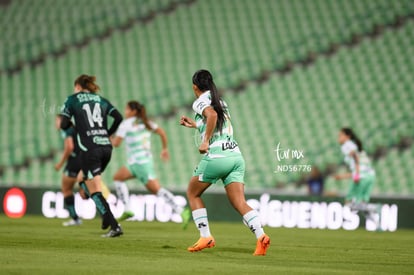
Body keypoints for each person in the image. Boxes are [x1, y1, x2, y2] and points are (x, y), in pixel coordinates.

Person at [180, 69, 270, 256]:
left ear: (194, 87)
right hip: (236, 155)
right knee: (239, 202)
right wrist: (195, 125)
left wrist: (205, 141)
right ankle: (261, 237)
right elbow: (217, 121)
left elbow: (211, 116)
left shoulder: (200, 101)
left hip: (218, 156)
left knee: (192, 193)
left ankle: (206, 236)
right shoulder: (220, 100)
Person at [60, 74, 123, 237]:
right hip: (106, 147)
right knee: (82, 179)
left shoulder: (73, 99)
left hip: (90, 149)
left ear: (78, 87)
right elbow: (118, 117)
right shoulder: (100, 99)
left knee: (93, 189)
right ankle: (105, 217)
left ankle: (114, 225)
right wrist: (107, 133)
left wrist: (75, 123)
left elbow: (63, 123)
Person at [111, 100, 190, 225]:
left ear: (133, 111)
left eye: (127, 109)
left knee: (156, 190)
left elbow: (116, 143)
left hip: (139, 164)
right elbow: (162, 132)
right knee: (117, 178)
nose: (125, 112)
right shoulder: (146, 122)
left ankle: (181, 210)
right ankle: (127, 210)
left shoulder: (126, 124)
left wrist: (107, 136)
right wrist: (164, 149)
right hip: (138, 162)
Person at [335, 127, 380, 228]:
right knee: (363, 205)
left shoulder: (347, 145)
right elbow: (359, 162)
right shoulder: (358, 147)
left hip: (362, 176)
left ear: (348, 136)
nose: (339, 138)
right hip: (370, 176)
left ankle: (375, 207)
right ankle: (377, 225)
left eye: (341, 135)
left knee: (349, 202)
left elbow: (355, 157)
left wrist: (357, 174)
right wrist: (343, 176)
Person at [54, 115, 84, 226]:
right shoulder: (76, 129)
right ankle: (107, 215)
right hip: (84, 161)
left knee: (66, 189)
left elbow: (69, 147)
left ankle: (75, 219)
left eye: (57, 121)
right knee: (86, 193)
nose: (55, 124)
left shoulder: (68, 131)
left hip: (73, 162)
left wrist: (60, 164)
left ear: (63, 121)